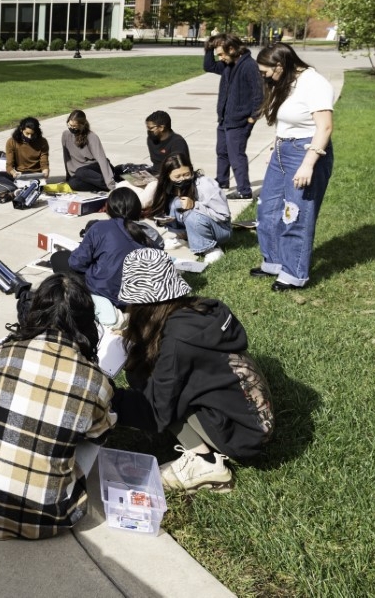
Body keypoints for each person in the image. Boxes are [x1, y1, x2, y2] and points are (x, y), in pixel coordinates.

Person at [0, 272, 115, 539]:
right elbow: (97, 434)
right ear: (86, 321)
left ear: (36, 311)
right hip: (51, 518)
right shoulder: (98, 382)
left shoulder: (2, 356)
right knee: (93, 435)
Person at [112, 248, 275, 492]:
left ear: (143, 304)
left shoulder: (179, 342)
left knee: (142, 376)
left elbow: (155, 410)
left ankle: (206, 463)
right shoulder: (203, 310)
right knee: (146, 370)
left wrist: (108, 398)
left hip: (242, 436)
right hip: (255, 418)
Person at [252, 42, 335, 291]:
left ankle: (293, 274)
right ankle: (274, 261)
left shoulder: (314, 82)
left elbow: (325, 127)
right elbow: (288, 122)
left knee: (295, 214)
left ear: (280, 65)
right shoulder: (286, 81)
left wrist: (308, 164)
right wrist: (276, 149)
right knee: (268, 209)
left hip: (306, 151)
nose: (264, 77)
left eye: (265, 72)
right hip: (283, 150)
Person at [50, 188, 162, 307]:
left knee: (58, 258)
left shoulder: (100, 228)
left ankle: (78, 302)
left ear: (108, 207)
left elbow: (76, 263)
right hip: (141, 299)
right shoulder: (153, 235)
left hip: (106, 295)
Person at [204, 34, 264, 200]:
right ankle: (222, 182)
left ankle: (244, 191)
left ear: (232, 49)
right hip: (224, 119)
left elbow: (259, 95)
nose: (221, 58)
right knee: (222, 152)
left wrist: (252, 119)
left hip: (239, 122)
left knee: (236, 155)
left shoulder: (249, 66)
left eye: (222, 54)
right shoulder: (227, 65)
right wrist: (209, 46)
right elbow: (208, 66)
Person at [149, 152, 232, 263]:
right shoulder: (167, 186)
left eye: (187, 174)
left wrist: (195, 205)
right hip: (195, 223)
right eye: (177, 176)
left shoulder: (205, 184)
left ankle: (210, 248)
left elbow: (224, 216)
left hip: (221, 229)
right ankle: (184, 237)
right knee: (175, 204)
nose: (183, 179)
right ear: (168, 176)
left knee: (192, 215)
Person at [114, 110, 190, 208]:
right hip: (152, 175)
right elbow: (156, 164)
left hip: (167, 180)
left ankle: (134, 206)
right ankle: (134, 201)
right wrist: (144, 178)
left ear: (162, 127)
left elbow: (178, 171)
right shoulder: (151, 139)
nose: (148, 131)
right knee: (120, 186)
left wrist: (157, 179)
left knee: (148, 194)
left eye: (151, 128)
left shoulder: (177, 142)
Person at [61, 110, 115, 192]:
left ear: (82, 125)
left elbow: (102, 160)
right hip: (81, 172)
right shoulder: (65, 135)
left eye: (75, 126)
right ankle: (103, 187)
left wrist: (110, 184)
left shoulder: (92, 137)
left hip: (95, 169)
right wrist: (68, 176)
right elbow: (66, 158)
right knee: (73, 183)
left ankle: (111, 184)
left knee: (81, 172)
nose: (71, 128)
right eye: (70, 125)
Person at [0, 117, 50, 188]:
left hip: (35, 174)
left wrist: (45, 171)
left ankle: (16, 187)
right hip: (19, 174)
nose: (30, 137)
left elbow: (44, 162)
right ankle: (15, 187)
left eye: (32, 134)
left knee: (35, 184)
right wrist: (13, 172)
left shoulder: (42, 142)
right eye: (27, 133)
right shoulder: (11, 142)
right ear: (21, 129)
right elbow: (9, 165)